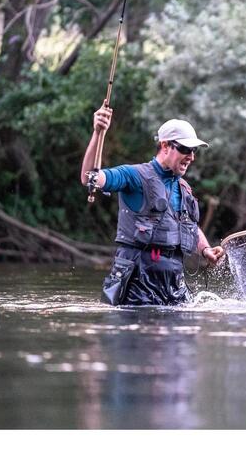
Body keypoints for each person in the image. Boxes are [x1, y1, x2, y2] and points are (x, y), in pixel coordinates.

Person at [81, 103, 224, 306]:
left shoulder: (184, 188)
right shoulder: (133, 176)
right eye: (185, 149)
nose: (191, 157)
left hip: (173, 283)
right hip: (136, 284)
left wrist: (205, 250)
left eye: (193, 151)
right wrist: (98, 133)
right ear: (165, 146)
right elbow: (90, 178)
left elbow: (188, 225)